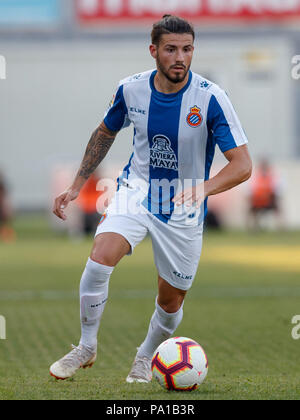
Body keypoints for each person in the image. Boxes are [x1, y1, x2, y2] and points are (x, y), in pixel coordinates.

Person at [50, 15, 252, 382]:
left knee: (171, 301)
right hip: (137, 190)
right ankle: (86, 345)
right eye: (171, 49)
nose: (180, 57)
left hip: (184, 207)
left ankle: (145, 356)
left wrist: (204, 188)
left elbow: (242, 165)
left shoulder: (210, 98)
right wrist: (77, 184)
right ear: (153, 51)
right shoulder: (131, 89)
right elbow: (104, 132)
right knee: (99, 260)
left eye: (187, 49)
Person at [248, 159, 282, 230]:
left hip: (269, 202)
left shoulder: (273, 177)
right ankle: (254, 228)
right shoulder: (255, 178)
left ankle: (280, 227)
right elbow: (250, 192)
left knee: (277, 208)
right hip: (257, 202)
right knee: (251, 209)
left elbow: (277, 191)